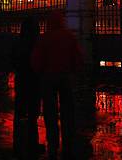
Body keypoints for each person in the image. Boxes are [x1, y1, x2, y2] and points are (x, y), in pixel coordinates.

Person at [31, 11, 82, 160]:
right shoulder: (69, 36)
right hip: (65, 76)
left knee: (49, 108)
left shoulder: (45, 38)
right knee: (67, 107)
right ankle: (68, 136)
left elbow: (36, 59)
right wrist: (74, 70)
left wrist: (39, 72)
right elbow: (78, 57)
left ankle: (52, 138)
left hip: (48, 77)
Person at [12, 16, 41, 159]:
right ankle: (32, 142)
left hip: (22, 78)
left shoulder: (19, 42)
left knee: (21, 108)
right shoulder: (38, 43)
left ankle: (18, 143)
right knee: (33, 110)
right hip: (34, 79)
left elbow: (12, 59)